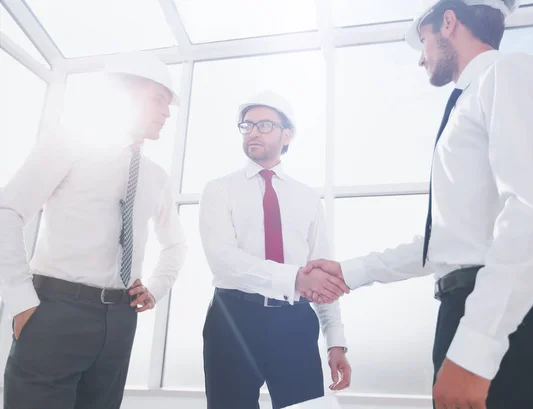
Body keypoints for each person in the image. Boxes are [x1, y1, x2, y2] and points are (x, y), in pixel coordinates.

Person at [303, 1, 533, 408]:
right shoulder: (471, 99)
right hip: (472, 310)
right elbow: (445, 243)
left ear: (449, 22)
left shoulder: (511, 74)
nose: (420, 60)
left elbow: (530, 219)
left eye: (423, 41)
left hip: (501, 320)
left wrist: (475, 350)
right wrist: (350, 271)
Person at [0, 52, 187, 409]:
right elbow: (7, 211)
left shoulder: (156, 177)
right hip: (55, 311)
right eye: (158, 100)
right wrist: (21, 299)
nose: (166, 112)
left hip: (120, 319)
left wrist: (156, 288)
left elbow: (176, 244)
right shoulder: (69, 142)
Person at [199, 91, 351, 409]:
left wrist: (335, 340)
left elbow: (320, 271)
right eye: (247, 125)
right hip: (232, 320)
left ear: (287, 135)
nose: (253, 131)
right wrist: (295, 278)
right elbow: (223, 261)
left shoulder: (307, 198)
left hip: (294, 321)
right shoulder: (219, 189)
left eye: (264, 125)